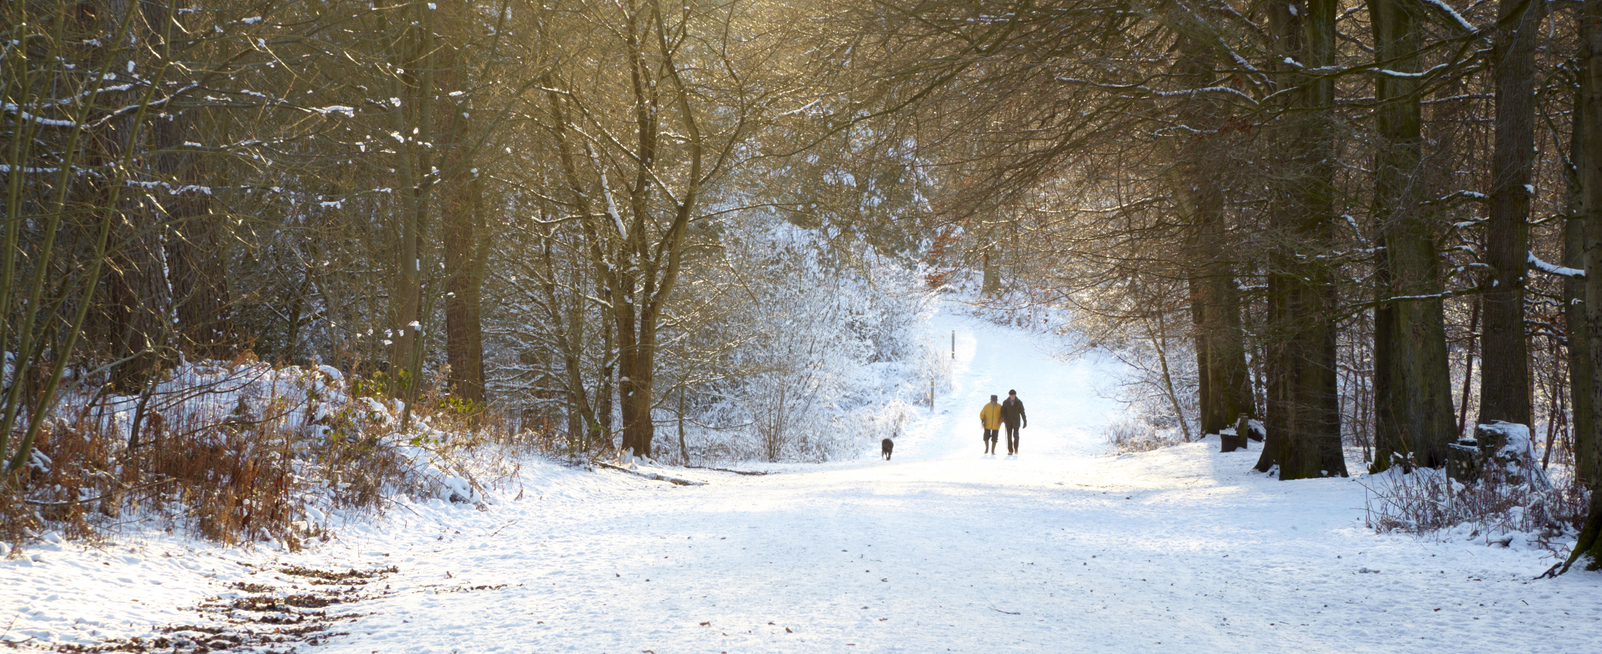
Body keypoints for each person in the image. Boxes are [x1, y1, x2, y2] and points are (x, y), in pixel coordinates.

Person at [1001, 389, 1027, 455]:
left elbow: (1022, 412)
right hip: (1008, 422)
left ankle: (1016, 448)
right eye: (1011, 395)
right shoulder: (1005, 402)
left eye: (1013, 395)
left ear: (1015, 395)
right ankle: (1010, 450)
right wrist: (1003, 417)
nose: (1012, 397)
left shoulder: (1019, 402)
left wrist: (1025, 421)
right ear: (1009, 395)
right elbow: (1002, 411)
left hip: (1016, 422)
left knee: (1016, 436)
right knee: (1009, 436)